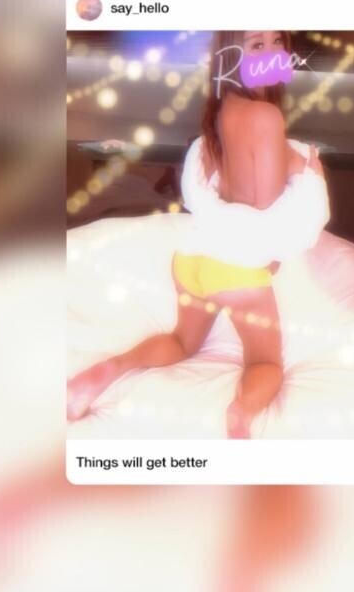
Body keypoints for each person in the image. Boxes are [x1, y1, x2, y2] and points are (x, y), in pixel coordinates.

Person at [67, 30, 328, 437]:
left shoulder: (221, 114)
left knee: (182, 342)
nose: (274, 53)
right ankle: (240, 417)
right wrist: (303, 163)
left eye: (278, 41)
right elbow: (265, 205)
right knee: (265, 364)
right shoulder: (266, 117)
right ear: (230, 55)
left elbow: (227, 185)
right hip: (236, 269)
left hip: (192, 258)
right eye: (257, 45)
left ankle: (106, 372)